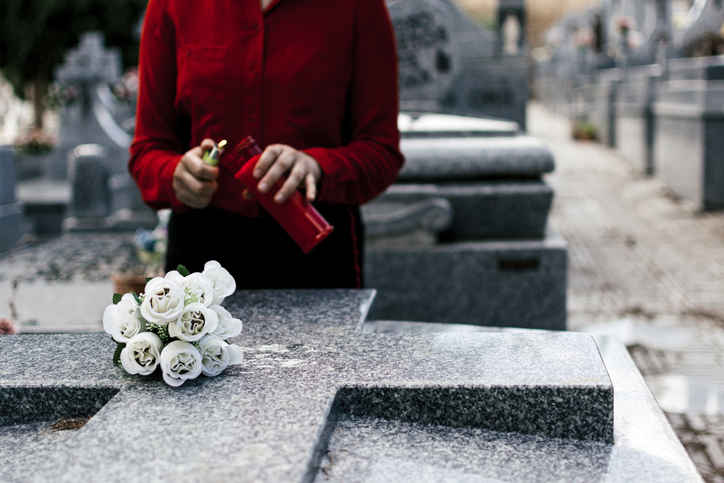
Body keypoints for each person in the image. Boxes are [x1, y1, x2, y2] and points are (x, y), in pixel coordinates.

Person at [129, 0, 404, 289]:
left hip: (316, 246)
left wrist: (317, 166)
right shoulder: (171, 5)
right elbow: (147, 150)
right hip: (201, 252)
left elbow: (381, 151)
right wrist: (175, 174)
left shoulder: (359, 6)